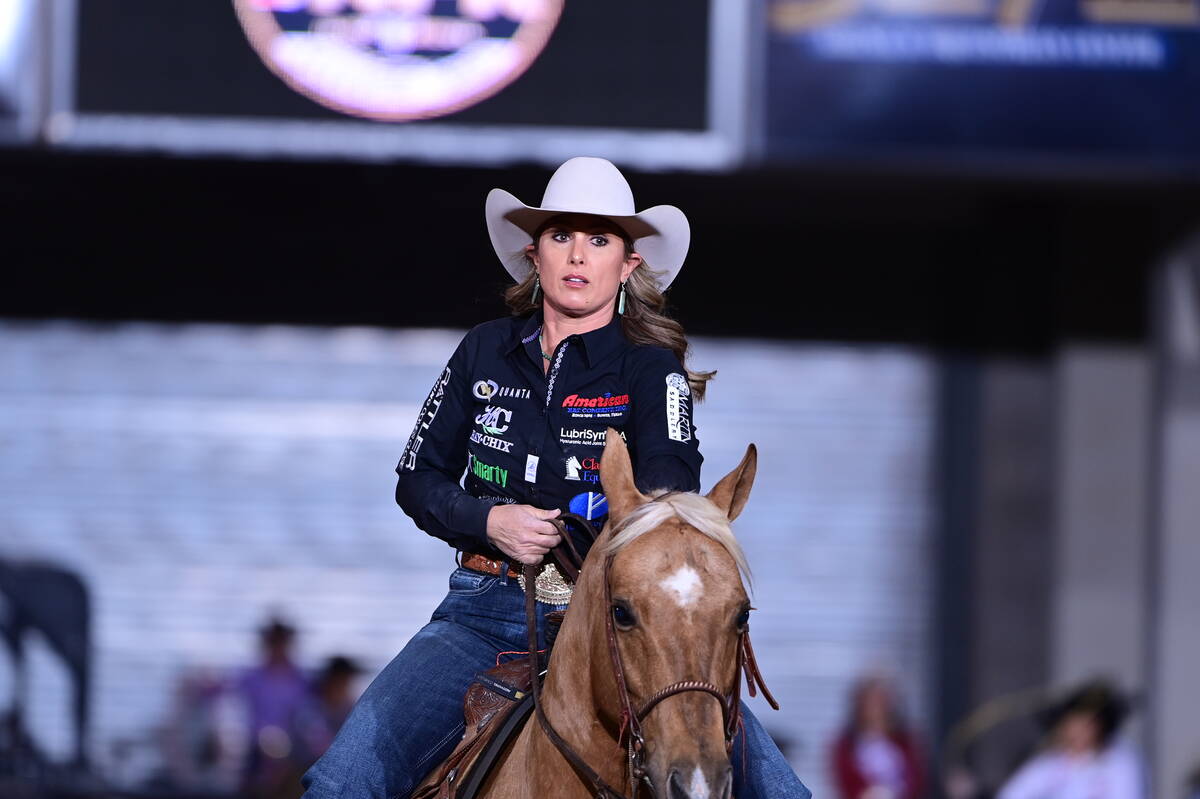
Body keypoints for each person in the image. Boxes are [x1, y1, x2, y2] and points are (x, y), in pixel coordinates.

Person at [301, 157, 810, 798]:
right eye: (561, 236)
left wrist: (619, 520)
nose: (577, 256)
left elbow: (667, 492)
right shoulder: (484, 349)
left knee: (784, 795)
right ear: (533, 254)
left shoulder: (652, 370)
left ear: (627, 265)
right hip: (480, 615)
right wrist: (490, 520)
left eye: (599, 240)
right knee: (341, 782)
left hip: (619, 623)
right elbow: (417, 477)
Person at [996, 679, 1143, 799]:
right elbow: (1013, 794)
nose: (1081, 732)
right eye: (1075, 725)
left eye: (1088, 725)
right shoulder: (1050, 764)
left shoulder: (1120, 761)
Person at [830, 674, 925, 799]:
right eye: (872, 701)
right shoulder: (847, 744)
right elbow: (845, 780)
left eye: (882, 701)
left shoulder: (906, 740)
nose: (877, 708)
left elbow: (917, 778)